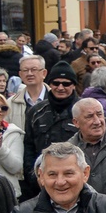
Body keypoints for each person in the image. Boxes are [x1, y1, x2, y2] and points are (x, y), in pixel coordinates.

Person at [21, 64, 80, 197]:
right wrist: (33, 176)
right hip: (41, 180)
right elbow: (28, 146)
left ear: (74, 85)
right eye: (56, 83)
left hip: (73, 178)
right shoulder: (36, 112)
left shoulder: (82, 110)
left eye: (66, 84)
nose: (60, 88)